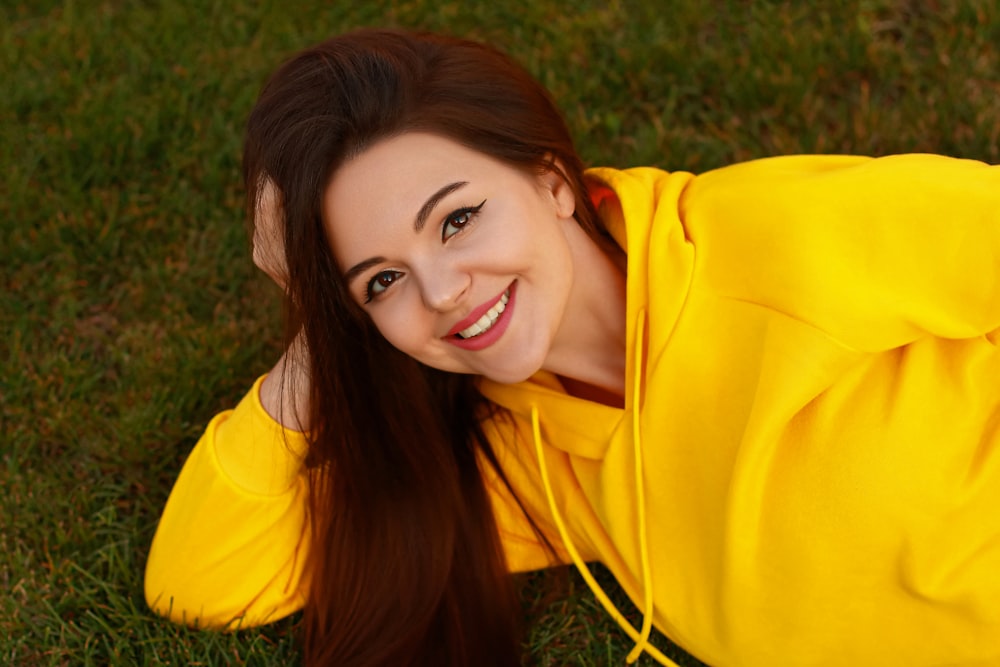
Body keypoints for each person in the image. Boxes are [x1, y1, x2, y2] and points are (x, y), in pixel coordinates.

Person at [144, 28, 1000, 667]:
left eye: (458, 218)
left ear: (551, 179)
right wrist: (314, 329)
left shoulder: (770, 244)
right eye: (380, 281)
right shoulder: (521, 455)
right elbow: (200, 581)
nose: (441, 291)